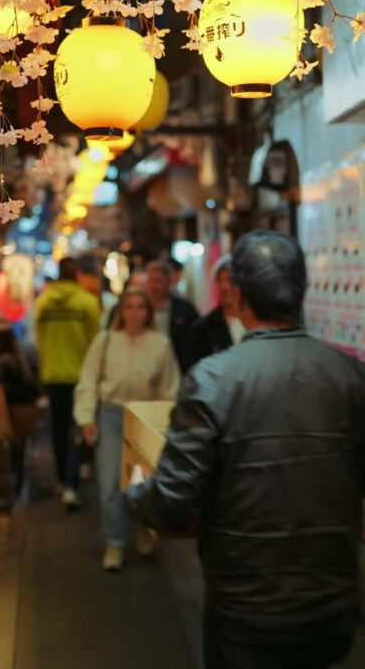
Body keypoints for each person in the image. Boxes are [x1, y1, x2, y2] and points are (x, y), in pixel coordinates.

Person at [127, 230, 365, 669]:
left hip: (245, 614)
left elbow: (172, 502)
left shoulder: (213, 379)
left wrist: (137, 490)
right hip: (332, 608)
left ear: (236, 295)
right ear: (302, 291)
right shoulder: (350, 376)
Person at [74, 287, 180, 571]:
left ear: (148, 312)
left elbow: (169, 387)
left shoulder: (160, 344)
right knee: (109, 483)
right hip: (110, 414)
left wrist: (166, 423)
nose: (134, 313)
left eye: (140, 307)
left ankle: (144, 528)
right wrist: (86, 417)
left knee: (140, 485)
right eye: (129, 307)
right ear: (121, 311)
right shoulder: (105, 340)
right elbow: (88, 379)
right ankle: (115, 542)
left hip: (146, 413)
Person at [35, 256, 100, 509]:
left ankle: (63, 479)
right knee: (79, 428)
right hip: (81, 375)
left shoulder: (44, 302)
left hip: (53, 375)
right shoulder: (87, 302)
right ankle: (73, 481)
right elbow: (95, 342)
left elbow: (38, 339)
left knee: (59, 430)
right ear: (78, 275)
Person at [0, 318, 41, 498]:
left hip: (13, 409)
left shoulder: (3, 361)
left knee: (13, 450)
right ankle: (17, 485)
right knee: (19, 449)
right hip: (26, 408)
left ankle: (13, 489)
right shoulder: (21, 356)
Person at [185, 253, 244, 368]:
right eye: (219, 280)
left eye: (230, 279)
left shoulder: (258, 322)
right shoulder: (202, 329)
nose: (224, 286)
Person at [145, 259, 198, 374]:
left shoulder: (185, 310)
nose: (153, 286)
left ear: (168, 282)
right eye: (151, 280)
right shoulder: (139, 308)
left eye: (158, 281)